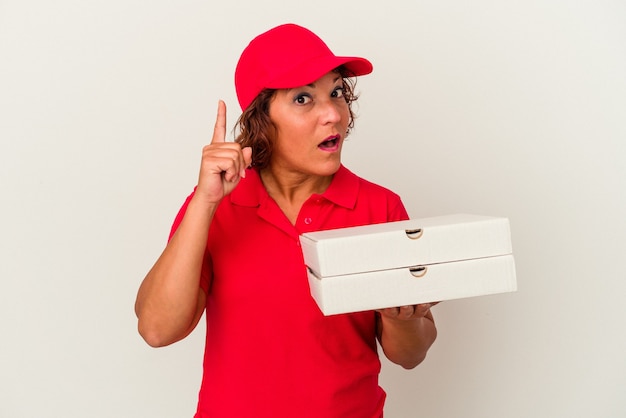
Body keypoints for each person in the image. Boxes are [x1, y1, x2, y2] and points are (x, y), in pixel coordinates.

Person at [135, 23, 437, 418]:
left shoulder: (379, 208)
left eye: (336, 93)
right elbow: (157, 330)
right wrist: (204, 203)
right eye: (303, 99)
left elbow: (410, 355)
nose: (332, 114)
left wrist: (403, 319)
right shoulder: (214, 208)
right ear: (262, 120)